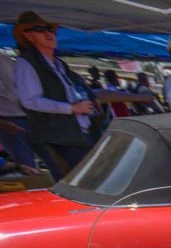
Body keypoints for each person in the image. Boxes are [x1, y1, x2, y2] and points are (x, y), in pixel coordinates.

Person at [12, 10, 99, 179]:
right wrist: (71, 108)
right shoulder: (25, 62)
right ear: (28, 36)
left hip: (78, 132)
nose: (48, 33)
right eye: (39, 29)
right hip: (58, 138)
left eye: (50, 29)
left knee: (92, 178)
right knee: (79, 181)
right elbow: (30, 101)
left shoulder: (59, 64)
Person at [0, 50, 39, 174]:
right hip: (9, 121)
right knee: (28, 167)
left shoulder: (6, 59)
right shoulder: (6, 59)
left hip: (24, 117)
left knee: (30, 166)